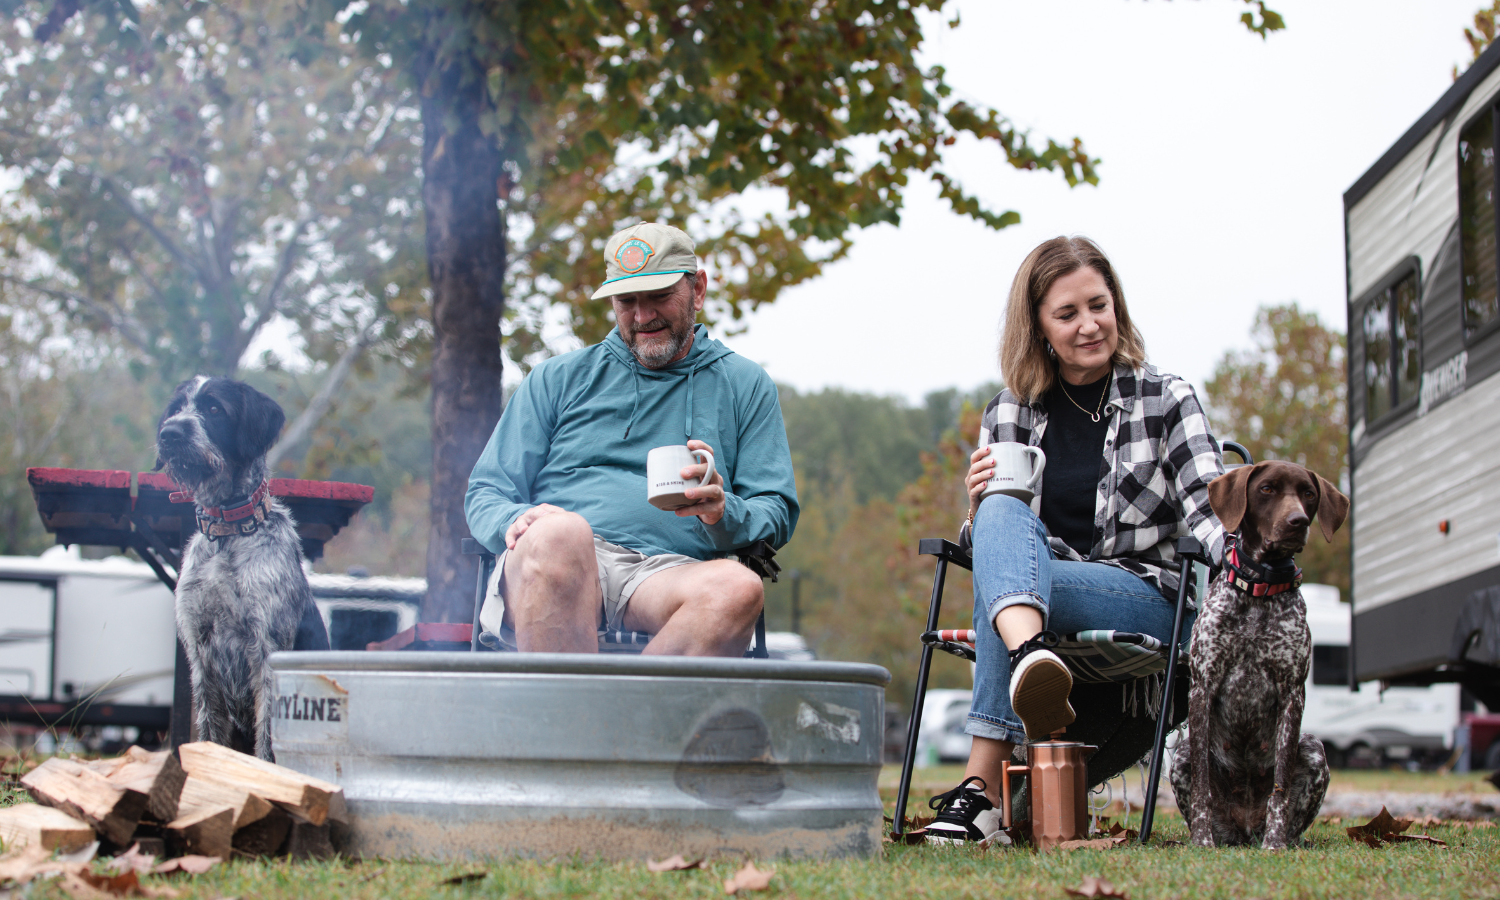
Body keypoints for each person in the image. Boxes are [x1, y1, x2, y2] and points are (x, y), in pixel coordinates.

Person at [922, 236, 1227, 844]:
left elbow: (1211, 513)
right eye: (1067, 314)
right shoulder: (1010, 410)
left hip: (1148, 596)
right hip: (1039, 595)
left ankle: (978, 791)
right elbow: (995, 541)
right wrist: (978, 508)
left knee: (1002, 590)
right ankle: (1031, 655)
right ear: (1037, 326)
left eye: (1098, 306)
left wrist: (1254, 572)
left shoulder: (1166, 398)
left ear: (1117, 306)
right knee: (1000, 514)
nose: (1089, 325)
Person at [465, 223, 798, 656]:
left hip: (670, 574)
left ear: (697, 290)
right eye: (627, 301)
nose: (643, 316)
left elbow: (775, 508)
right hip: (559, 561)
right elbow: (487, 491)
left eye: (659, 296)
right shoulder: (557, 379)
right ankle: (602, 701)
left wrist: (723, 512)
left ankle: (611, 703)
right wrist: (513, 520)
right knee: (560, 534)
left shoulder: (744, 384)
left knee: (738, 588)